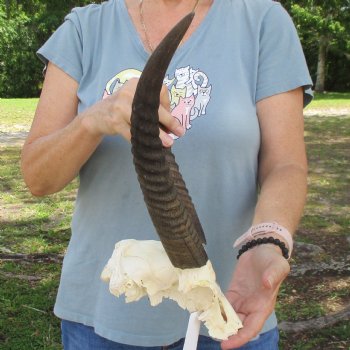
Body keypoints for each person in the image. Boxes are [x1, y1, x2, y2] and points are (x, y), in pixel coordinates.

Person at [21, 0, 313, 349]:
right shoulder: (85, 29)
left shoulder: (262, 21)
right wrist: (92, 121)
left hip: (228, 312)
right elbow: (38, 177)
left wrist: (268, 241)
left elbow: (286, 165)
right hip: (102, 319)